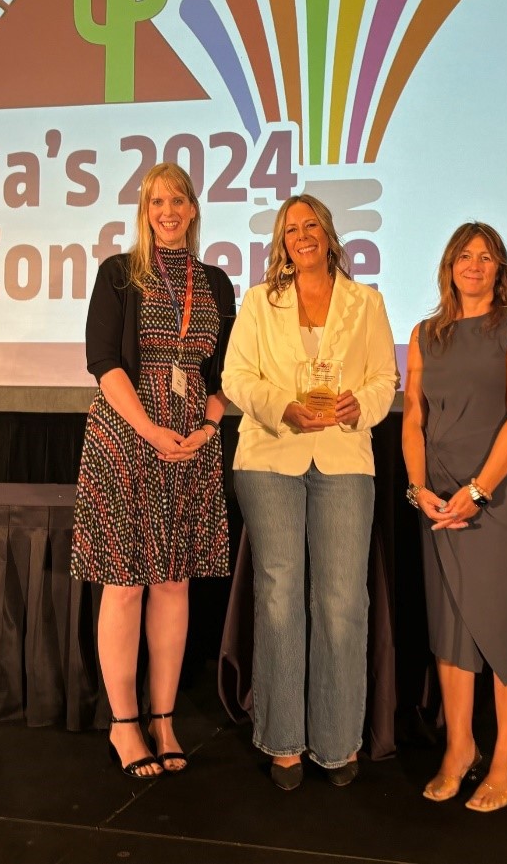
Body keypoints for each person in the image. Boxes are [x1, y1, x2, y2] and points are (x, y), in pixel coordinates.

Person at [221, 194, 398, 790]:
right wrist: (283, 409)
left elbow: (384, 379)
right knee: (279, 597)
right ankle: (283, 741)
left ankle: (337, 739)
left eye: (311, 224)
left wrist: (360, 406)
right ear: (282, 241)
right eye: (291, 228)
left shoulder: (365, 301)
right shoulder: (258, 302)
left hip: (345, 456)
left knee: (343, 602)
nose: (302, 235)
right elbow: (236, 376)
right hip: (270, 453)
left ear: (328, 232)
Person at [70, 163, 235, 779]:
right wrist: (148, 429)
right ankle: (124, 724)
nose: (166, 210)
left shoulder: (217, 284)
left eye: (177, 200)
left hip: (192, 441)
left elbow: (225, 376)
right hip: (126, 436)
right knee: (127, 582)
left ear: (194, 209)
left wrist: (208, 427)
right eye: (155, 200)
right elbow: (105, 362)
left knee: (174, 582)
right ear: (144, 210)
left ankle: (163, 718)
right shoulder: (118, 274)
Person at [401, 222, 507, 813]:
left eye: (486, 257)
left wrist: (479, 490)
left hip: (503, 493)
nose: (475, 265)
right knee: (450, 621)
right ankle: (460, 748)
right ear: (449, 265)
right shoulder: (423, 334)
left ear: (500, 266)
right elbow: (413, 416)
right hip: (436, 495)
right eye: (465, 255)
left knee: (500, 616)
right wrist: (418, 488)